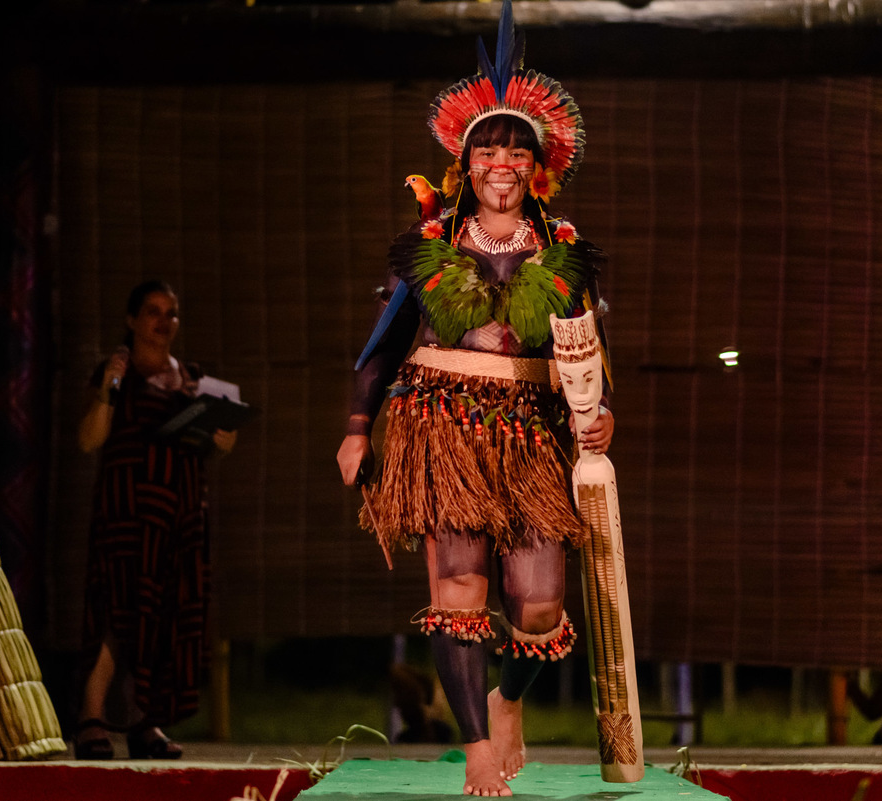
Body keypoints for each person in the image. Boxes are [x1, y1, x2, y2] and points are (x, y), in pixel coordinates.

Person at [336, 4, 612, 795]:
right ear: (466, 162)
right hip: (440, 424)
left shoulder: (562, 251)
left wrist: (597, 414)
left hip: (529, 432)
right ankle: (476, 743)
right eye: (487, 146)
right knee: (458, 593)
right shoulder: (428, 247)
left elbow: (590, 354)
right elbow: (381, 345)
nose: (501, 158)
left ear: (537, 164)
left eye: (515, 147)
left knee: (540, 606)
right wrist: (358, 428)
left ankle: (507, 698)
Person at [74, 279, 236, 760]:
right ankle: (90, 720)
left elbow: (218, 445)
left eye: (172, 313)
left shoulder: (191, 376)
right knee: (119, 611)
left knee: (164, 616)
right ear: (131, 320)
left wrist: (223, 430)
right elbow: (89, 440)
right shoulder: (116, 372)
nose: (164, 322)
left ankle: (145, 722)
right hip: (127, 511)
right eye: (153, 311)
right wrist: (107, 390)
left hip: (179, 512)